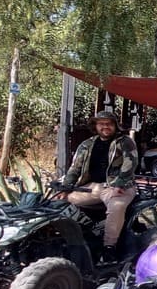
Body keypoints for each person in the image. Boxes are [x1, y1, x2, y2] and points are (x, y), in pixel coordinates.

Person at [58, 110, 139, 263]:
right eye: (101, 124)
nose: (105, 127)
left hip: (117, 186)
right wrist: (66, 187)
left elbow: (130, 163)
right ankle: (75, 237)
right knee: (61, 201)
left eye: (109, 123)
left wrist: (119, 184)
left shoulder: (125, 142)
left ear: (115, 126)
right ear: (95, 126)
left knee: (117, 206)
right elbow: (75, 168)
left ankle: (109, 248)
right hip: (92, 187)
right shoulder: (87, 144)